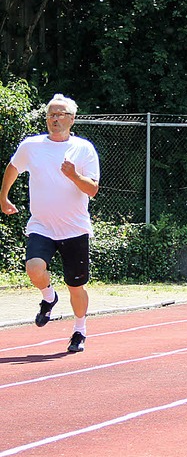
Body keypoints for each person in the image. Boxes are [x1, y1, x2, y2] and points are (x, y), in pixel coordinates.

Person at [0, 93, 100, 353]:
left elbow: (92, 189)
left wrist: (74, 175)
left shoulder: (84, 148)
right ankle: (48, 297)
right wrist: (3, 197)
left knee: (75, 286)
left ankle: (79, 329)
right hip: (42, 226)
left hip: (75, 229)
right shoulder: (31, 146)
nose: (54, 119)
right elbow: (13, 168)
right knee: (33, 267)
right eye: (51, 115)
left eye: (60, 115)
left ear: (72, 119)